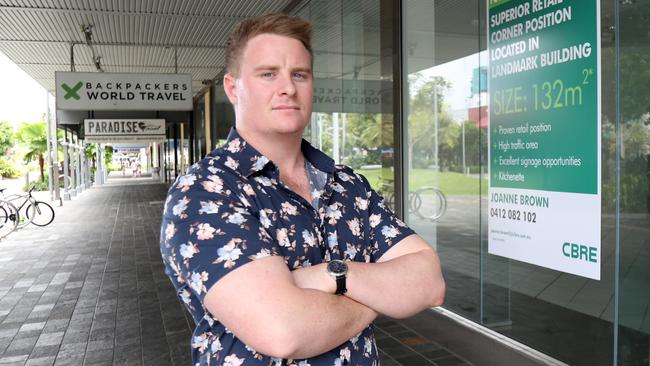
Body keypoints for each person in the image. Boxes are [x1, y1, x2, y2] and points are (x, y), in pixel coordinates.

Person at [159, 13, 445, 366]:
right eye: (268, 74)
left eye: (300, 74)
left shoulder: (347, 184)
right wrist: (381, 293)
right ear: (233, 88)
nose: (288, 88)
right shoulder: (205, 191)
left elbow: (429, 283)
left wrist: (334, 275)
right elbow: (283, 331)